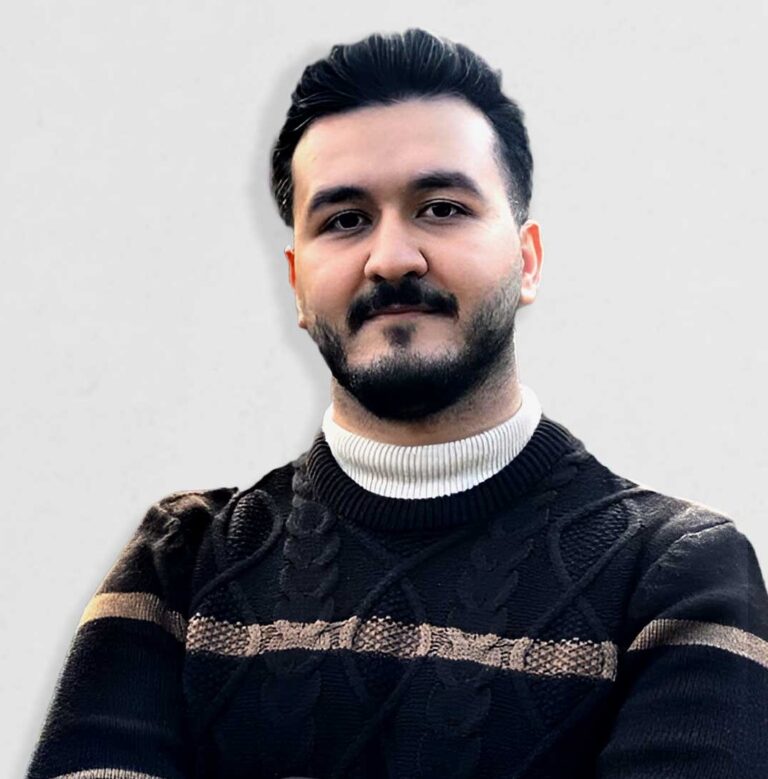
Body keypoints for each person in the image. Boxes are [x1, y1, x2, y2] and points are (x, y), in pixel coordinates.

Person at [26, 27, 768, 779]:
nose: (391, 258)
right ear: (297, 285)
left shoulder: (677, 574)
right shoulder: (181, 565)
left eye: (441, 208)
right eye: (345, 220)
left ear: (528, 260)